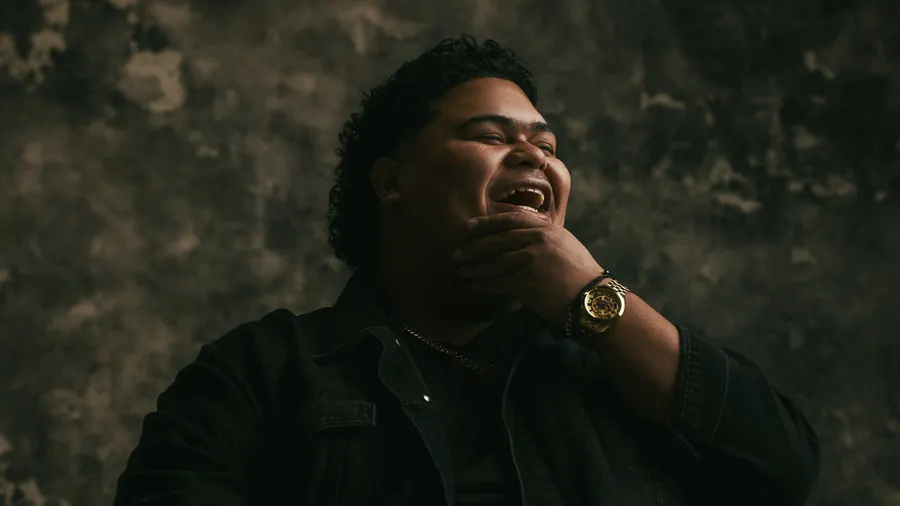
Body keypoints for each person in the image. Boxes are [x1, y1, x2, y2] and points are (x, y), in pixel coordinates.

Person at [113, 36, 820, 506]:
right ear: (392, 183)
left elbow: (781, 469)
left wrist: (592, 298)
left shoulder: (616, 367)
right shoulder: (260, 373)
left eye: (548, 146)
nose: (534, 156)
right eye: (491, 135)